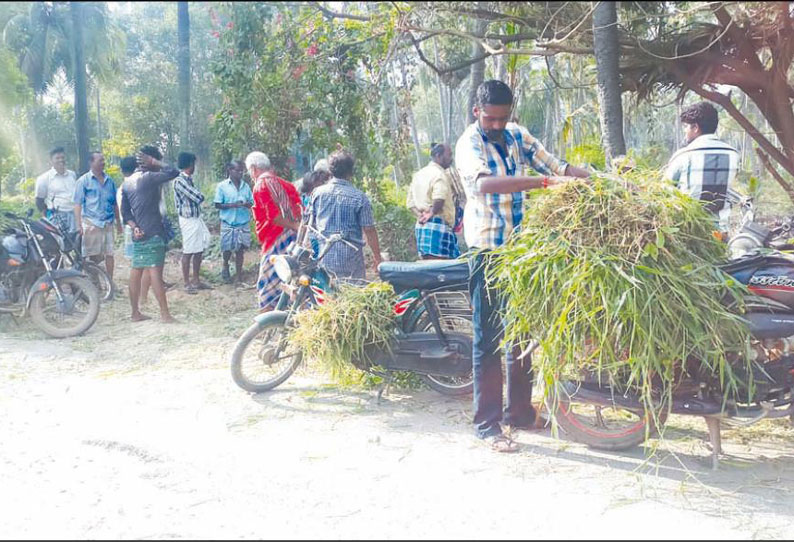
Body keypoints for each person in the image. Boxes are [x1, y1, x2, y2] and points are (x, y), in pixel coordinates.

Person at [455, 79, 590, 452]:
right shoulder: (469, 143)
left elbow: (559, 166)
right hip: (488, 251)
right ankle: (488, 425)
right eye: (491, 119)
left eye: (503, 118)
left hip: (521, 253)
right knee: (488, 339)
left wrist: (599, 180)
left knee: (523, 336)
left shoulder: (517, 136)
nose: (497, 125)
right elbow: (485, 185)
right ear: (476, 112)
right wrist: (543, 183)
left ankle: (520, 413)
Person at [121, 145, 180, 323]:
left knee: (136, 270)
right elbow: (174, 172)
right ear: (149, 161)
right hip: (154, 231)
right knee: (155, 272)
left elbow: (126, 214)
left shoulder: (127, 182)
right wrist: (155, 162)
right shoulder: (149, 177)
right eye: (155, 159)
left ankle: (135, 313)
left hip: (138, 233)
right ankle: (165, 314)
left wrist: (134, 226)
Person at [308, 149, 383, 282]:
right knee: (353, 299)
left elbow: (308, 225)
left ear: (330, 171)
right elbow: (369, 230)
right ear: (351, 172)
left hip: (325, 258)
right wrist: (377, 257)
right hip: (351, 261)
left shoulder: (317, 193)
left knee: (327, 298)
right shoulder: (359, 197)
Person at [665, 102, 739, 232]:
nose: (685, 131)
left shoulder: (684, 155)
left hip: (688, 231)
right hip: (721, 231)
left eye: (686, 127)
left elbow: (665, 189)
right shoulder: (733, 154)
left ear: (695, 128)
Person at [246, 151, 302, 312]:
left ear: (254, 169)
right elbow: (299, 210)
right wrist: (296, 227)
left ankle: (266, 326)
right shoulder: (286, 184)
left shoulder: (260, 186)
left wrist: (292, 225)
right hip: (294, 241)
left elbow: (274, 217)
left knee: (266, 289)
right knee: (291, 282)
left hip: (274, 241)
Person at [73, 151, 123, 284]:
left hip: (107, 223)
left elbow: (114, 204)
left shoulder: (110, 181)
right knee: (93, 256)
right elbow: (77, 204)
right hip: (91, 223)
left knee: (109, 254)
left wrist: (118, 223)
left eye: (103, 160)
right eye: (100, 160)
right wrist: (79, 225)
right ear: (91, 163)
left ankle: (109, 283)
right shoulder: (83, 181)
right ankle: (95, 284)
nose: (103, 162)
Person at [407, 142, 460, 259]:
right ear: (438, 156)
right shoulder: (439, 174)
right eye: (449, 155)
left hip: (422, 226)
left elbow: (410, 203)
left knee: (429, 268)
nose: (451, 159)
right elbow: (439, 198)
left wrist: (421, 215)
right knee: (441, 269)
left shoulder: (418, 174)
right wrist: (431, 213)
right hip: (437, 226)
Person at [173, 152, 211, 294]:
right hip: (188, 219)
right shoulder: (180, 181)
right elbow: (197, 196)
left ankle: (196, 280)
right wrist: (200, 195)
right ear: (189, 164)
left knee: (199, 248)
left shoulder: (188, 180)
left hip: (195, 218)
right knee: (188, 250)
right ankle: (187, 282)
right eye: (193, 163)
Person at [214, 159, 254, 284]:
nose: (240, 173)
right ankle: (225, 265)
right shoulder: (222, 186)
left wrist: (247, 204)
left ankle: (238, 275)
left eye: (242, 171)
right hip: (228, 223)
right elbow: (218, 204)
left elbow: (252, 202)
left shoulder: (245, 186)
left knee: (240, 250)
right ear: (230, 170)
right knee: (227, 249)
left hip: (242, 223)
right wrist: (233, 205)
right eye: (237, 170)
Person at [35, 146, 78, 233]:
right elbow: (39, 201)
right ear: (51, 161)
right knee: (60, 243)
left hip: (74, 215)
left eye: (62, 157)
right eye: (57, 158)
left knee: (76, 242)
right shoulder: (44, 179)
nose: (61, 160)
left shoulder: (72, 175)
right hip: (57, 216)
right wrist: (46, 219)